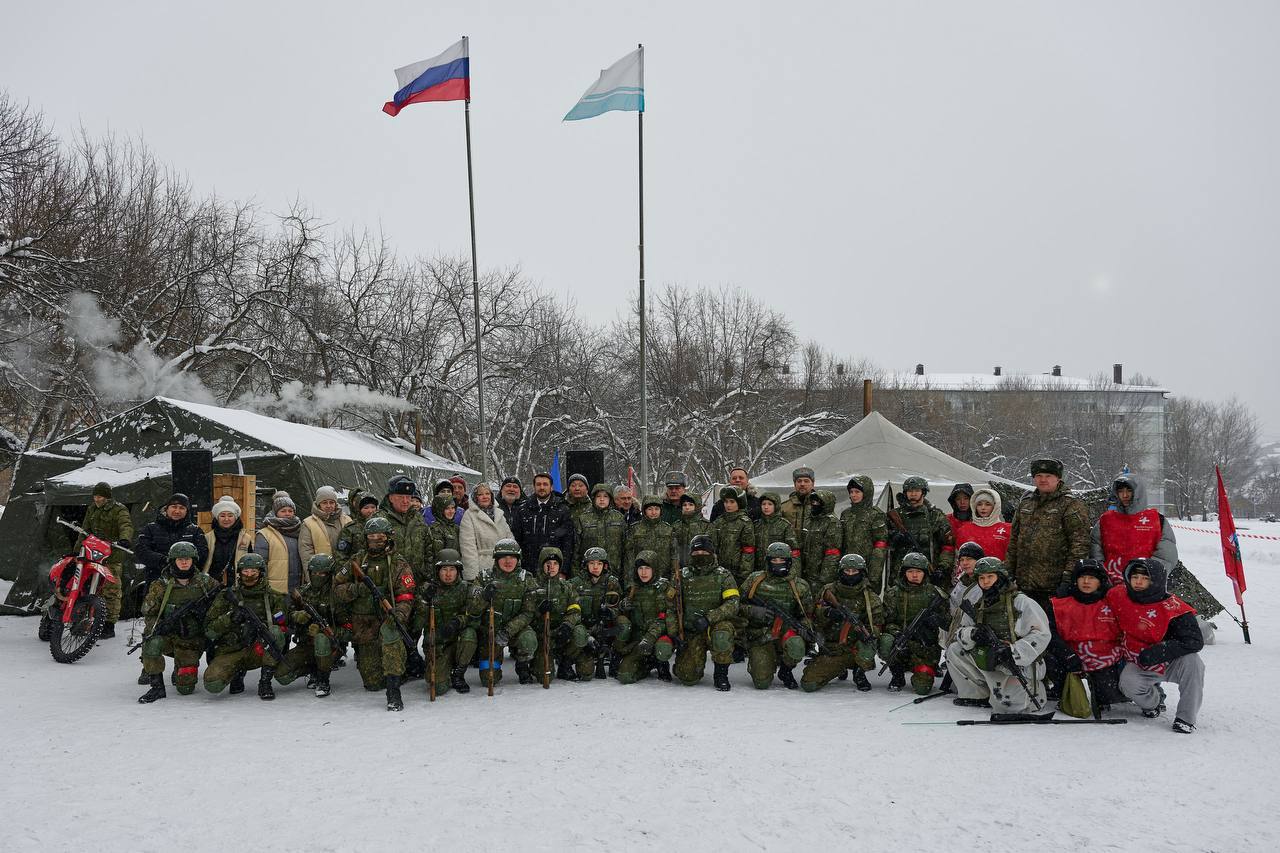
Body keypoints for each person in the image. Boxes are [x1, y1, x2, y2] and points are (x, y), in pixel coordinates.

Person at [1005, 458, 1090, 694]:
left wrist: (1068, 578)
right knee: (1026, 635)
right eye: (1038, 476)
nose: (1043, 480)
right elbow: (1014, 541)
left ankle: (1060, 684)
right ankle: (1034, 680)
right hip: (1025, 584)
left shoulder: (1070, 505)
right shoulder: (1026, 502)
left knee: (1053, 638)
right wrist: (1007, 573)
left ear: (1058, 478)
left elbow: (1080, 544)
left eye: (1048, 476)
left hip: (1054, 586)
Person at [1109, 557, 1204, 734]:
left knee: (1194, 663)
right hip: (1138, 660)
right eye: (1135, 576)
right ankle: (1153, 703)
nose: (1138, 581)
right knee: (1128, 683)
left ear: (1157, 580)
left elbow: (1194, 641)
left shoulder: (1175, 608)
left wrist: (1160, 651)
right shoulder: (1118, 595)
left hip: (1171, 660)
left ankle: (1186, 718)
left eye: (1145, 578)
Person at [332, 517, 418, 711]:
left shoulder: (398, 562)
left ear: (388, 537)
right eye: (371, 535)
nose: (376, 539)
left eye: (380, 535)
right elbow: (336, 588)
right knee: (372, 683)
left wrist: (399, 614)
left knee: (392, 635)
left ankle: (394, 690)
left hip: (388, 617)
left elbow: (406, 594)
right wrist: (357, 589)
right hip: (363, 622)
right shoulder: (356, 560)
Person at [947, 556, 1052, 713]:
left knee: (1010, 707)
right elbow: (960, 630)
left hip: (1016, 662)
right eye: (982, 578)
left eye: (990, 576)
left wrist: (1013, 650)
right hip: (989, 657)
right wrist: (973, 634)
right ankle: (977, 694)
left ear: (1000, 576)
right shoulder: (978, 603)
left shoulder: (1021, 602)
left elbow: (1041, 634)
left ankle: (1023, 693)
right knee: (955, 650)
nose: (986, 581)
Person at [136, 541, 219, 704]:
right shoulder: (161, 585)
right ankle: (156, 686)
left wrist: (203, 615)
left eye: (187, 558)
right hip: (169, 636)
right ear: (172, 560)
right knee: (151, 643)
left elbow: (221, 606)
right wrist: (161, 625)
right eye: (179, 559)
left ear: (193, 560)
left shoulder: (205, 583)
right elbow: (148, 612)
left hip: (192, 640)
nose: (183, 562)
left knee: (185, 689)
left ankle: (180, 668)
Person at [202, 553, 289, 701]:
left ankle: (265, 682)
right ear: (239, 573)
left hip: (258, 650)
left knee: (275, 633)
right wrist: (230, 618)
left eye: (253, 571)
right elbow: (209, 630)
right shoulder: (226, 596)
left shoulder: (274, 597)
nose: (249, 575)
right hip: (230, 650)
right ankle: (236, 673)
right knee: (213, 684)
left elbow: (284, 628)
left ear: (261, 572)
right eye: (245, 571)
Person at [801, 554, 884, 692]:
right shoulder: (828, 591)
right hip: (831, 648)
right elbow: (813, 615)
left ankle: (859, 672)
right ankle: (838, 668)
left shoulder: (870, 597)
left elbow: (877, 624)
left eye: (854, 571)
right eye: (847, 571)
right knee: (809, 684)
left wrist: (865, 632)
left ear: (862, 573)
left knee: (870, 644)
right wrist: (828, 613)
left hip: (855, 649)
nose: (850, 574)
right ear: (841, 572)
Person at [1050, 559, 1125, 710]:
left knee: (1110, 695)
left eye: (1092, 578)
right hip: (1069, 655)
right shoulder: (1060, 604)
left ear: (1100, 581)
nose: (1086, 581)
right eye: (1082, 577)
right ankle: (1060, 687)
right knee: (1049, 660)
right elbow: (1050, 634)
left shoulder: (1114, 603)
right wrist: (1067, 655)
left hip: (1105, 657)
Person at [739, 542, 814, 689]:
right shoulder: (755, 580)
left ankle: (786, 671)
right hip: (759, 635)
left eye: (782, 560)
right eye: (774, 560)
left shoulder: (800, 586)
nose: (778, 563)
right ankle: (765, 659)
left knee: (797, 645)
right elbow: (735, 604)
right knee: (761, 683)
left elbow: (807, 614)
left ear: (789, 562)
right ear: (768, 561)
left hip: (785, 632)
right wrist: (753, 611)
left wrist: (805, 627)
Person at [275, 553, 351, 698]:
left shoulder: (336, 595)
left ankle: (323, 680)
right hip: (305, 646)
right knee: (282, 676)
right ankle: (312, 670)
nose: (318, 576)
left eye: (322, 573)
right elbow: (281, 616)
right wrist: (295, 617)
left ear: (329, 574)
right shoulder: (303, 593)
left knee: (321, 639)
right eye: (315, 573)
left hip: (331, 648)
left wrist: (326, 631)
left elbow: (350, 630)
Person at [670, 534, 740, 691]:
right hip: (691, 631)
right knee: (687, 677)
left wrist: (709, 618)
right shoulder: (681, 576)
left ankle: (721, 674)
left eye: (704, 553)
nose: (700, 556)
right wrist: (675, 632)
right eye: (696, 553)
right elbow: (671, 606)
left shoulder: (723, 575)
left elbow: (733, 603)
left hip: (715, 626)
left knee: (722, 636)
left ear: (712, 553)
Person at [468, 538, 540, 686]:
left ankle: (523, 665)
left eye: (512, 557)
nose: (508, 561)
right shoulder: (483, 577)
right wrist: (484, 596)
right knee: (489, 679)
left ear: (518, 559)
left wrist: (507, 631)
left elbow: (528, 613)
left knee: (529, 639)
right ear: (496, 559)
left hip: (515, 630)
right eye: (503, 557)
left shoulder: (526, 579)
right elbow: (472, 609)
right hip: (490, 632)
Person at [878, 552, 948, 695]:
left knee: (922, 689)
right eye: (910, 571)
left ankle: (925, 668)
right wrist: (896, 633)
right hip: (902, 641)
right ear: (904, 573)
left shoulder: (935, 594)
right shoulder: (893, 593)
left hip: (925, 647)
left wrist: (935, 621)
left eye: (918, 572)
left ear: (925, 573)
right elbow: (887, 620)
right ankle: (897, 674)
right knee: (886, 642)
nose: (914, 575)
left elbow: (947, 622)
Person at [1090, 473, 1178, 586]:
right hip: (1110, 584)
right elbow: (1095, 549)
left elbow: (1166, 556)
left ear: (1138, 493)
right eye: (1121, 491)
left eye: (1129, 491)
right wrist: (1102, 574)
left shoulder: (1156, 520)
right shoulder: (1106, 520)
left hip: (1143, 585)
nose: (1125, 495)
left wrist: (1148, 577)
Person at [77, 481, 134, 638]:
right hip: (91, 554)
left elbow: (126, 525)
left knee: (111, 590)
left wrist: (125, 539)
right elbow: (84, 531)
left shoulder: (119, 510)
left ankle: (108, 625)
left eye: (100, 496)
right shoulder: (92, 509)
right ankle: (81, 617)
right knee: (83, 585)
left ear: (108, 497)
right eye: (95, 496)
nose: (97, 499)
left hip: (111, 556)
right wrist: (77, 552)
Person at [419, 549, 478, 696]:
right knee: (438, 688)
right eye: (444, 569)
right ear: (438, 571)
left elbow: (473, 616)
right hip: (437, 644)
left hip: (458, 639)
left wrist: (457, 622)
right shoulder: (427, 589)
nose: (448, 574)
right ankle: (445, 669)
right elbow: (417, 623)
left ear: (458, 571)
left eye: (452, 569)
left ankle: (458, 673)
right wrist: (424, 601)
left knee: (470, 634)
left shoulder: (466, 588)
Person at [526, 546, 586, 683]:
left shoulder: (566, 587)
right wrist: (538, 611)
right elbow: (525, 614)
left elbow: (575, 610)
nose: (551, 567)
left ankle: (565, 663)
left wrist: (567, 625)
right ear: (542, 564)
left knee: (580, 632)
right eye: (548, 564)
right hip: (541, 636)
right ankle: (531, 662)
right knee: (545, 677)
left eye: (555, 564)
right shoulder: (532, 586)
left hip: (561, 634)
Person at [615, 551, 676, 684]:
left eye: (647, 568)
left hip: (657, 637)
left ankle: (661, 663)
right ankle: (647, 664)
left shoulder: (664, 588)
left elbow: (666, 618)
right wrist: (623, 605)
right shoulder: (632, 588)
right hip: (638, 640)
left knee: (663, 647)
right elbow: (622, 613)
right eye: (640, 568)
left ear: (654, 569)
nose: (643, 572)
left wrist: (649, 638)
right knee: (625, 676)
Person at [570, 547, 627, 680]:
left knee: (624, 625)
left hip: (606, 629)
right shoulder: (575, 584)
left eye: (599, 564)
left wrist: (610, 612)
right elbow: (570, 610)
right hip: (584, 629)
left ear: (605, 565)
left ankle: (615, 655)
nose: (596, 567)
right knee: (586, 673)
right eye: (592, 563)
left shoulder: (612, 582)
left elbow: (619, 606)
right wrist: (587, 635)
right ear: (586, 565)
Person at [886, 477, 955, 587]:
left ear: (923, 492)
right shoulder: (895, 516)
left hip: (929, 573)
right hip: (900, 574)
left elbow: (948, 546)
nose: (913, 494)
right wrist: (894, 538)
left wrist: (942, 568)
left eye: (917, 491)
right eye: (910, 491)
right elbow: (882, 542)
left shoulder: (935, 516)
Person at [136, 493, 209, 592]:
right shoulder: (150, 529)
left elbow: (203, 552)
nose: (177, 511)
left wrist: (183, 564)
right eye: (174, 507)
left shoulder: (195, 531)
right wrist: (164, 561)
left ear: (187, 511)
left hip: (187, 584)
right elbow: (142, 551)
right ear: (167, 508)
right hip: (156, 582)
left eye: (182, 508)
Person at [516, 472, 574, 574]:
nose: (541, 487)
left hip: (553, 568)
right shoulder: (523, 509)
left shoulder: (562, 509)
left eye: (545, 484)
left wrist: (563, 571)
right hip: (528, 568)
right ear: (534, 486)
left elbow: (567, 543)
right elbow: (517, 540)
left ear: (551, 487)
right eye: (538, 484)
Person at [838, 476, 888, 594]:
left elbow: (880, 547)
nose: (853, 495)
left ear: (866, 493)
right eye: (851, 492)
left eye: (857, 492)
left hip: (866, 568)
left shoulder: (876, 515)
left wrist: (873, 575)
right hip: (847, 568)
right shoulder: (846, 514)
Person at [375, 475, 429, 578]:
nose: (405, 501)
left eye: (408, 497)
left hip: (418, 580)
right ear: (391, 498)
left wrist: (427, 576)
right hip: (391, 583)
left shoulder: (418, 518)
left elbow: (428, 548)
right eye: (400, 497)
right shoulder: (379, 520)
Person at [459, 482, 515, 581]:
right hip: (483, 569)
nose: (485, 497)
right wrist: (473, 577)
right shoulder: (469, 516)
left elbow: (510, 540)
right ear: (475, 498)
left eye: (487, 493)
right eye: (480, 494)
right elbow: (468, 549)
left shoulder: (499, 514)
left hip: (504, 567)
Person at [255, 493, 304, 594]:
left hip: (298, 587)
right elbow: (260, 564)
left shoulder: (301, 531)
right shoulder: (264, 534)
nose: (287, 513)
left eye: (290, 511)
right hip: (275, 589)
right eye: (283, 511)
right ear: (275, 512)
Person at [573, 483, 628, 574]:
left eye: (605, 496)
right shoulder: (583, 519)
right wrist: (576, 573)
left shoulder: (619, 518)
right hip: (589, 573)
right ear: (594, 498)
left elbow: (626, 549)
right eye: (598, 496)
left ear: (610, 499)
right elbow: (576, 550)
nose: (602, 499)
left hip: (615, 572)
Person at [709, 486, 756, 586]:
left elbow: (748, 551)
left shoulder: (745, 523)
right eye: (726, 502)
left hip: (737, 573)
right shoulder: (719, 521)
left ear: (739, 502)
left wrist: (744, 575)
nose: (728, 505)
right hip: (719, 570)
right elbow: (712, 546)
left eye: (732, 502)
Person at [625, 495, 679, 580]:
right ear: (644, 510)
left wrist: (673, 579)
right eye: (650, 509)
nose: (653, 512)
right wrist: (630, 581)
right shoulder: (634, 529)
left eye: (656, 509)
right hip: (641, 577)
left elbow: (674, 555)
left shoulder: (668, 529)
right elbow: (629, 557)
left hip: (664, 578)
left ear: (661, 510)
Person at [798, 489, 842, 592]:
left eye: (818, 502)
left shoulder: (832, 522)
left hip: (819, 575)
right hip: (806, 572)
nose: (814, 504)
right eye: (813, 502)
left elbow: (832, 553)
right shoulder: (810, 520)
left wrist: (825, 579)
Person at [204, 494, 252, 588]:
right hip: (211, 585)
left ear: (236, 517)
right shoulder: (208, 538)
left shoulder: (245, 539)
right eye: (222, 515)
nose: (226, 519)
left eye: (230, 515)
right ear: (217, 518)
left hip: (238, 585)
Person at [298, 485, 350, 570]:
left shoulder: (346, 520)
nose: (329, 505)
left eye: (331, 502)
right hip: (321, 573)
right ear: (319, 504)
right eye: (325, 502)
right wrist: (312, 577)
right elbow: (306, 554)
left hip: (345, 572)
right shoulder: (308, 524)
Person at [953, 488, 1010, 563]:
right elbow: (958, 559)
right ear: (974, 506)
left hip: (997, 573)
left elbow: (1012, 557)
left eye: (988, 504)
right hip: (971, 573)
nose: (983, 508)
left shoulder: (1008, 529)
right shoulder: (964, 530)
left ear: (995, 506)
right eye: (979, 504)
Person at [753, 492, 797, 573]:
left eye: (770, 504)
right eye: (763, 504)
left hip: (778, 568)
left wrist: (793, 571)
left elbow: (793, 551)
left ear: (776, 506)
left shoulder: (784, 525)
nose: (766, 507)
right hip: (758, 569)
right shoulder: (756, 525)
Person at [336, 489, 380, 561]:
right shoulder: (349, 529)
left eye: (373, 507)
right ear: (358, 509)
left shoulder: (384, 525)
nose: (370, 511)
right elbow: (340, 556)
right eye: (366, 508)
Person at [425, 493, 461, 574]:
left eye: (453, 508)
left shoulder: (456, 528)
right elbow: (434, 557)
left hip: (455, 571)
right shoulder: (435, 529)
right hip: (441, 573)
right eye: (447, 508)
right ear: (440, 510)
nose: (451, 511)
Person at [672, 492, 710, 567]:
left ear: (697, 506)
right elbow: (673, 550)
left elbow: (710, 550)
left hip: (699, 569)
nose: (687, 507)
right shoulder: (676, 526)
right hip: (680, 569)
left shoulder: (706, 525)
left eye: (691, 505)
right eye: (684, 505)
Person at [780, 466, 817, 538]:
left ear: (812, 484)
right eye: (799, 481)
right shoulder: (784, 508)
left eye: (806, 481)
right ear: (794, 484)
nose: (802, 484)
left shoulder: (821, 506)